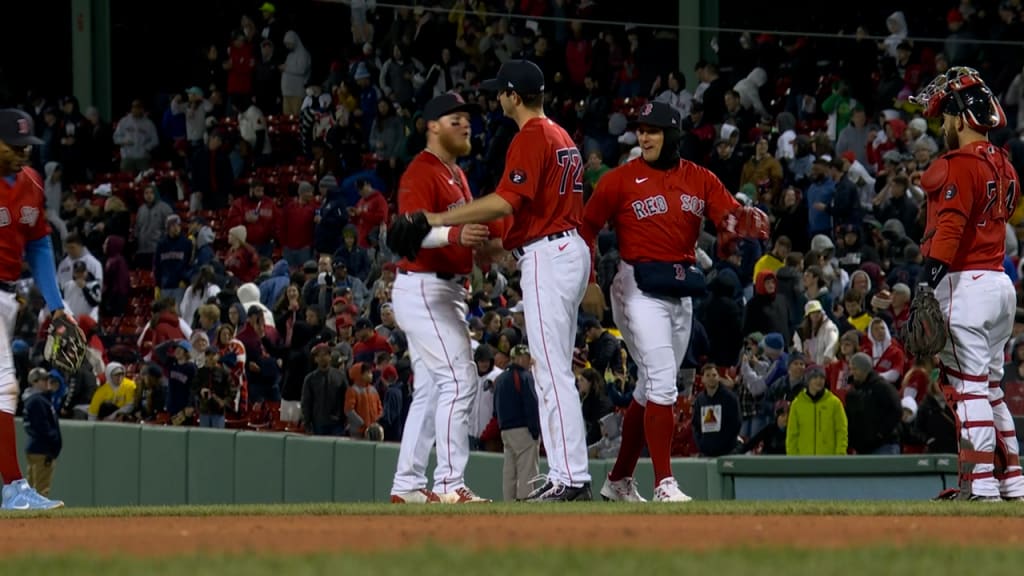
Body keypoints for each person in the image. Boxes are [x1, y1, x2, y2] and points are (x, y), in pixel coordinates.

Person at [420, 61, 594, 501]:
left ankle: (570, 477)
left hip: (550, 253)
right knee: (555, 371)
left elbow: (505, 201)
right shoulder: (559, 133)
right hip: (564, 247)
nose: (497, 98)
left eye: (501, 92)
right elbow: (531, 206)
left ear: (514, 96)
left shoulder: (532, 136)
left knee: (551, 374)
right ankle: (567, 474)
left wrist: (444, 216)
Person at [580, 101, 768, 502]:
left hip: (680, 288)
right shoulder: (618, 180)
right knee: (663, 377)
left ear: (672, 135)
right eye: (641, 130)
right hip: (635, 285)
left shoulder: (700, 179)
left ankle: (617, 481)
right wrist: (588, 279)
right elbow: (587, 226)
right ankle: (665, 483)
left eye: (653, 130)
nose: (644, 136)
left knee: (650, 386)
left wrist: (741, 224)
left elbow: (728, 217)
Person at [911, 66, 1024, 501]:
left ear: (960, 119)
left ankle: (979, 485)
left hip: (966, 283)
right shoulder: (1005, 164)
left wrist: (928, 281)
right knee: (992, 388)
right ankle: (1011, 480)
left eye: (945, 118)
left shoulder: (957, 164)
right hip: (1000, 283)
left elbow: (951, 227)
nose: (944, 125)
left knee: (968, 386)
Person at [389, 93, 495, 505]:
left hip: (445, 288)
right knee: (459, 379)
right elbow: (410, 232)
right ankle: (450, 484)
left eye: (467, 119)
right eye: (455, 119)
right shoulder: (422, 171)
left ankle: (407, 486)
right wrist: (455, 235)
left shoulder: (456, 173)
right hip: (425, 286)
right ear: (432, 126)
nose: (465, 125)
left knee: (433, 389)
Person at [0, 109, 66, 509]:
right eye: (15, 145)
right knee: (4, 386)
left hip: (8, 297)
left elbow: (40, 245)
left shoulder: (31, 182)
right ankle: (13, 487)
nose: (24, 152)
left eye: (28, 145)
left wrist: (57, 307)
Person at [494, 344, 541, 501]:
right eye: (527, 358)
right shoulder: (524, 376)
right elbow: (531, 405)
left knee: (510, 468)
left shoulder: (500, 378)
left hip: (505, 430)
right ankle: (526, 500)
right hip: (522, 429)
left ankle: (509, 500)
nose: (529, 362)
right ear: (520, 359)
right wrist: (535, 430)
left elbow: (496, 408)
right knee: (527, 468)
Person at [23, 368, 62, 497]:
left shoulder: (36, 399)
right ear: (34, 382)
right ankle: (37, 516)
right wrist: (54, 442)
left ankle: (26, 515)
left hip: (36, 447)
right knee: (41, 490)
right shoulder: (37, 400)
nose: (47, 382)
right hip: (42, 449)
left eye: (47, 379)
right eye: (43, 379)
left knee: (32, 488)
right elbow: (43, 427)